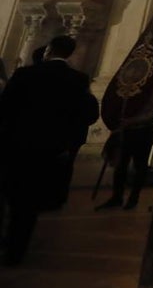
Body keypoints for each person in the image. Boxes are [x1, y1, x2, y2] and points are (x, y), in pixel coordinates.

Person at [0, 35, 98, 266]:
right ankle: (16, 249)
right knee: (28, 204)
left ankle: (8, 238)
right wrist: (69, 143)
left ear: (48, 50)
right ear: (70, 53)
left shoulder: (25, 75)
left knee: (9, 194)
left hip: (17, 146)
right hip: (49, 150)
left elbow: (5, 108)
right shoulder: (78, 80)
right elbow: (86, 115)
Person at [96, 65, 153, 211]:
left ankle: (133, 198)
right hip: (128, 130)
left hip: (143, 131)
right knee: (121, 164)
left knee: (140, 165)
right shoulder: (140, 85)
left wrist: (132, 120)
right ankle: (117, 196)